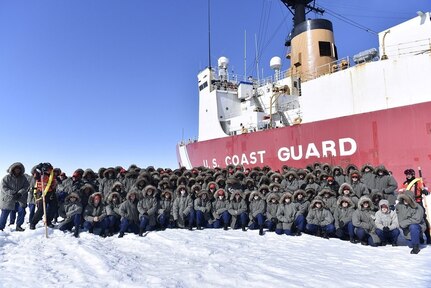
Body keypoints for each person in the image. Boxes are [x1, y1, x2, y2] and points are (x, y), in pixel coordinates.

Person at [400, 168, 430, 244]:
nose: (408, 176)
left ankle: (428, 236)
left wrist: (424, 190)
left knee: (422, 218)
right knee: (411, 220)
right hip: (408, 204)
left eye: (409, 174)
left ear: (413, 174)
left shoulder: (418, 182)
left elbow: (424, 188)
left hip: (418, 203)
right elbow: (401, 192)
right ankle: (418, 237)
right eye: (407, 174)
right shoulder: (405, 184)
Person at [0, 162, 29, 232]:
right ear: (12, 169)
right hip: (8, 199)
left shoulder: (23, 178)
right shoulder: (7, 177)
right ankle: (1, 227)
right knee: (5, 213)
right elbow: (3, 187)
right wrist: (13, 193)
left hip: (20, 198)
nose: (17, 170)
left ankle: (18, 226)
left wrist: (19, 193)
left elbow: (26, 186)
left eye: (19, 169)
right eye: (16, 168)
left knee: (22, 211)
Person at [30, 163, 57, 230]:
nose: (49, 171)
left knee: (53, 208)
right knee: (41, 210)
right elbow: (34, 175)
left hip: (51, 192)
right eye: (48, 169)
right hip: (41, 192)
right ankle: (33, 223)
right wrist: (38, 168)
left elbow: (54, 182)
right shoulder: (39, 174)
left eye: (50, 169)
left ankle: (48, 221)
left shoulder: (52, 175)